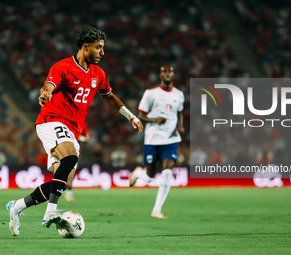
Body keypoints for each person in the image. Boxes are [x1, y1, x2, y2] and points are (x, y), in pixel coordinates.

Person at [6, 27, 143, 236]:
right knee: (69, 157)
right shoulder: (63, 67)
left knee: (63, 181)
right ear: (85, 47)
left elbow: (109, 96)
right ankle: (50, 213)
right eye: (99, 48)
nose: (102, 52)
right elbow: (49, 85)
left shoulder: (98, 73)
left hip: (72, 129)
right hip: (51, 120)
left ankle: (16, 207)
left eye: (103, 48)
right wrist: (45, 94)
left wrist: (130, 116)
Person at [129, 65, 185, 219]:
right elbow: (140, 116)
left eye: (170, 72)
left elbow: (179, 112)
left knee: (167, 171)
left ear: (173, 75)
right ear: (160, 75)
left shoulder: (179, 94)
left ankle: (156, 210)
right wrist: (156, 120)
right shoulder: (151, 93)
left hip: (171, 139)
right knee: (150, 176)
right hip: (153, 139)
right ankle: (139, 173)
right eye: (164, 72)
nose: (167, 74)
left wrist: (180, 125)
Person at [64, 122, 90, 203]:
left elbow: (87, 139)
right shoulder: (67, 122)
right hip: (63, 150)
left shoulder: (84, 125)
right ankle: (51, 193)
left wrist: (80, 138)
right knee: (60, 171)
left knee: (71, 173)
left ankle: (68, 192)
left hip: (75, 152)